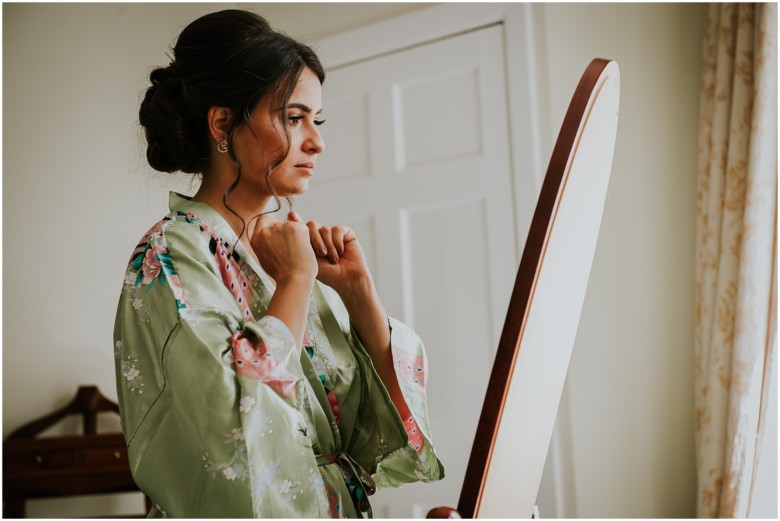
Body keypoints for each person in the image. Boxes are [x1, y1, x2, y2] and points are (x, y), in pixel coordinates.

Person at [113, 9, 444, 518]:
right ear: (223, 123)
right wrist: (295, 279)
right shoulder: (169, 256)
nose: (317, 141)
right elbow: (238, 430)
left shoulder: (294, 252)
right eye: (294, 118)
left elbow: (369, 436)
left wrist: (358, 293)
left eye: (317, 119)